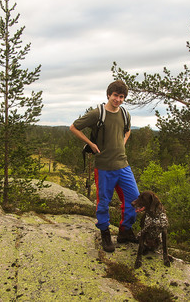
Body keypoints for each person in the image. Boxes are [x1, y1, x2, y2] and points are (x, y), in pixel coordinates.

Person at [70, 80, 140, 252]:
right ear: (108, 95)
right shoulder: (97, 113)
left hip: (123, 165)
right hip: (104, 167)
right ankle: (105, 233)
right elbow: (74, 127)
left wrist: (123, 142)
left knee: (135, 199)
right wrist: (91, 145)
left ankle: (125, 231)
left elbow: (128, 129)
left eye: (121, 97)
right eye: (115, 95)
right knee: (103, 203)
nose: (118, 99)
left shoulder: (125, 114)